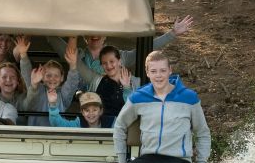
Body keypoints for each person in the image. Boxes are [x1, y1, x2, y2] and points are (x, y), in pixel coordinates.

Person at [47, 15, 194, 76]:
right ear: (84, 37)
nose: (94, 35)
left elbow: (146, 48)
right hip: (85, 106)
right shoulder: (76, 55)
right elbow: (53, 39)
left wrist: (172, 33)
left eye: (99, 32)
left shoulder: (120, 56)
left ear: (105, 36)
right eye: (90, 32)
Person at [21, 39, 79, 126]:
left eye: (56, 76)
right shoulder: (37, 88)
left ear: (62, 78)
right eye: (48, 75)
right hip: (35, 135)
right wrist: (23, 55)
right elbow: (28, 76)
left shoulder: (63, 94)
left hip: (57, 136)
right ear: (42, 77)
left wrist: (73, 65)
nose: (52, 79)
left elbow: (72, 84)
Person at [76, 44, 141, 119]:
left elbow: (133, 112)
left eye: (112, 61)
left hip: (125, 128)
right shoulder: (97, 81)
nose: (109, 66)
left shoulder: (137, 82)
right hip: (102, 128)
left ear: (119, 62)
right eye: (104, 63)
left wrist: (126, 87)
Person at [47, 91, 114, 128]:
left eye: (94, 110)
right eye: (87, 110)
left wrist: (125, 86)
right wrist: (52, 104)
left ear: (101, 111)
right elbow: (57, 124)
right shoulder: (78, 124)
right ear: (82, 112)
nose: (91, 113)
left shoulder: (112, 123)